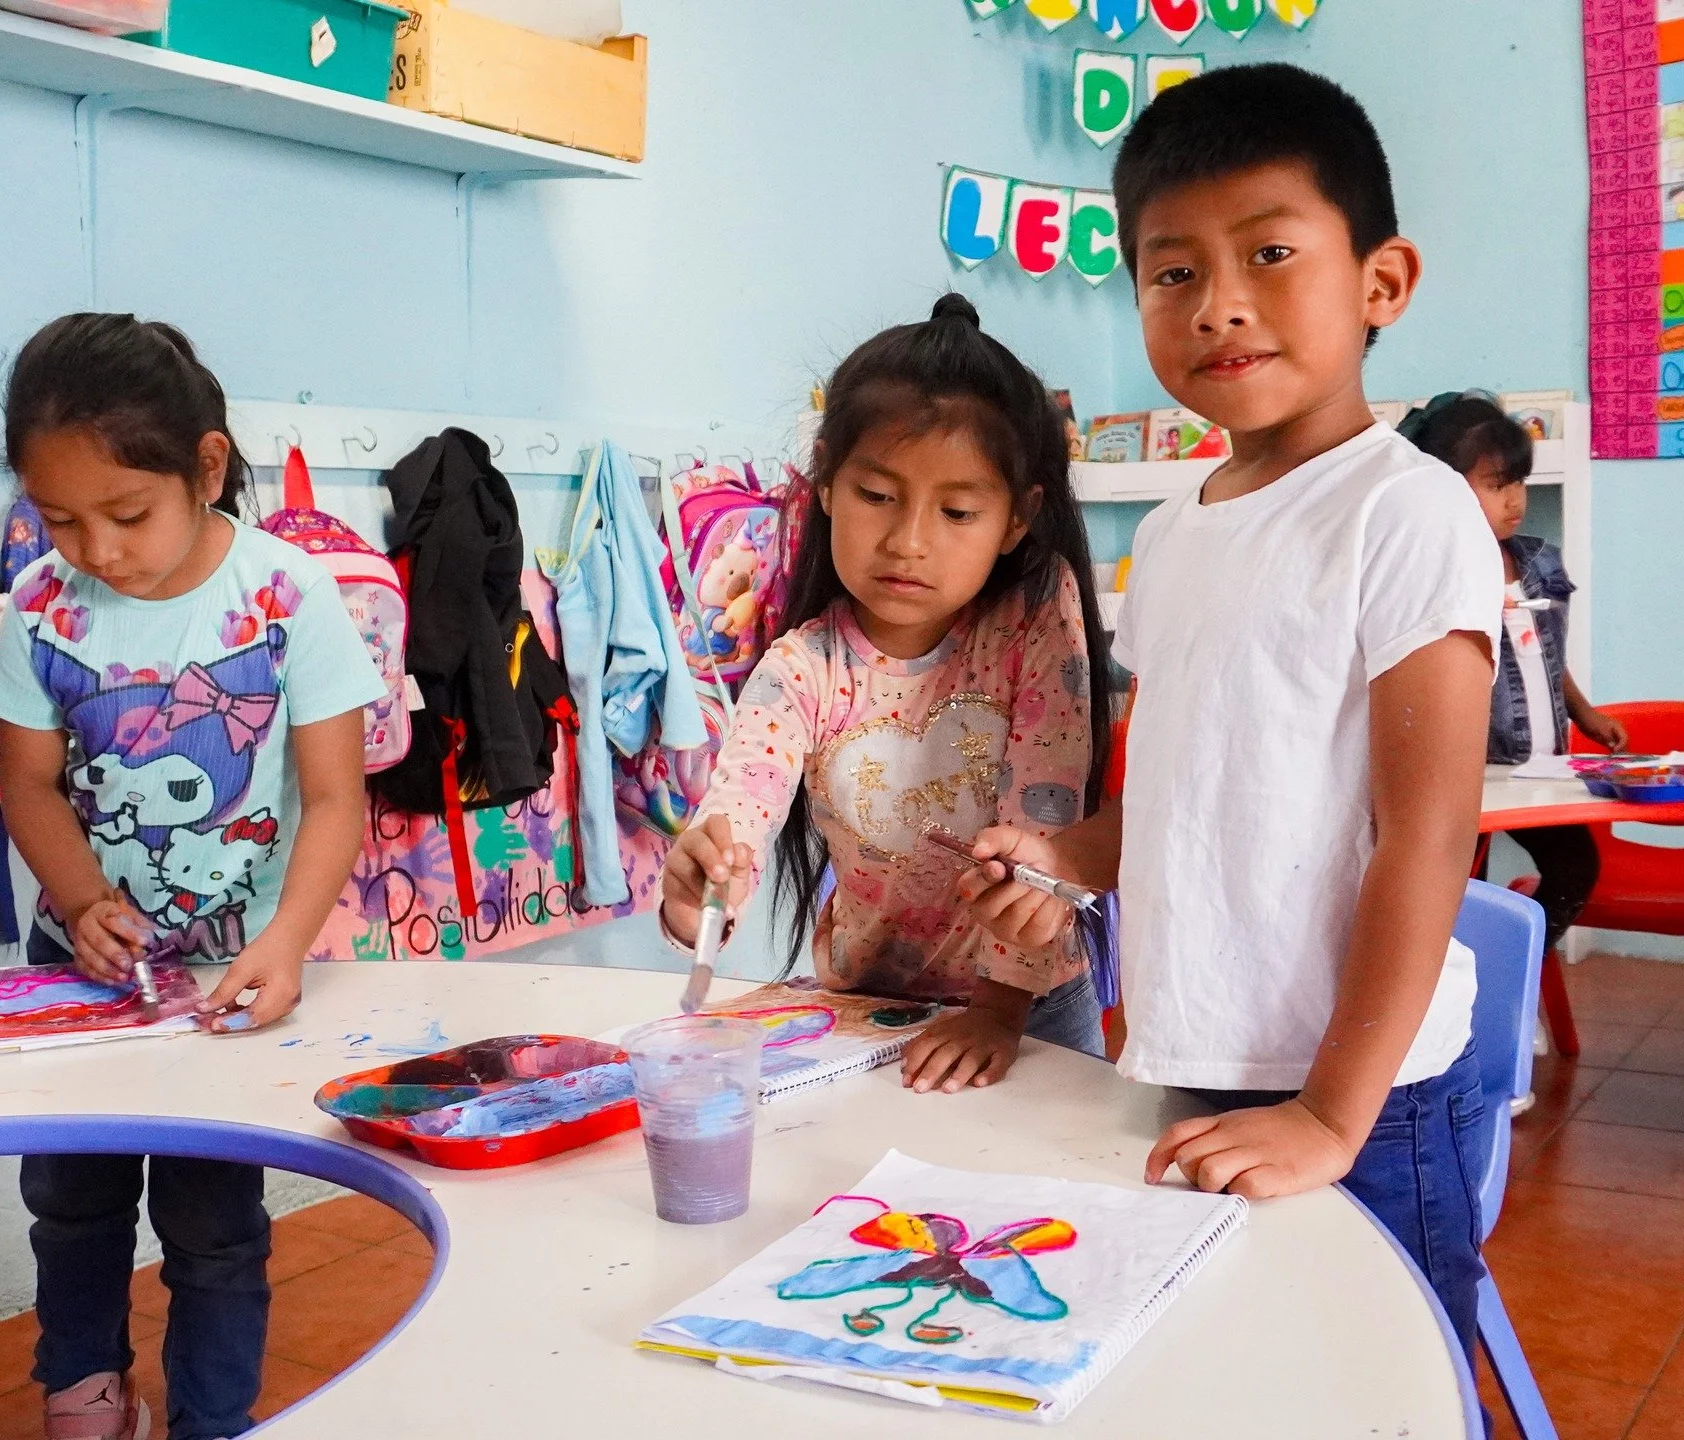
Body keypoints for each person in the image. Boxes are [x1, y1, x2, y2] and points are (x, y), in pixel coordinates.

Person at [958, 64, 1503, 1364]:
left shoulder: (1404, 508)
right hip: (1196, 1049)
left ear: (1382, 282)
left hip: (1369, 1086)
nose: (1221, 305)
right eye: (1173, 272)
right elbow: (1176, 792)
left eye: (1268, 253)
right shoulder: (1175, 534)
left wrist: (1330, 1115)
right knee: (1243, 1372)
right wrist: (1063, 862)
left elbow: (1428, 838)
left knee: (1388, 1374)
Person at [0, 314, 383, 1440]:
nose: (97, 551)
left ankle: (214, 1420)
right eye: (59, 519)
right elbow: (32, 788)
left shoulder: (288, 594)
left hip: (233, 975)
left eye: (126, 514)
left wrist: (285, 944)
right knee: (70, 1201)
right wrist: (79, 901)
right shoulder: (41, 605)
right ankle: (87, 1392)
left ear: (205, 467)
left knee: (214, 1224)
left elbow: (337, 798)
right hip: (84, 974)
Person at [657, 294, 1115, 1094]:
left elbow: (1045, 812)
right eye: (877, 496)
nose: (908, 541)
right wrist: (701, 893)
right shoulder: (802, 665)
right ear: (828, 482)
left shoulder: (1033, 619)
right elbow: (742, 808)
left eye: (958, 510)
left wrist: (1000, 1011)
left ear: (1018, 518)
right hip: (865, 1012)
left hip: (1034, 1008)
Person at [1402, 390, 1625, 950]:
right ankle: (1467, 1006)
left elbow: (1546, 655)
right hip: (1464, 769)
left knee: (1576, 868)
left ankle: (1510, 973)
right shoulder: (1431, 569)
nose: (1515, 500)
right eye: (1496, 486)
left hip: (1540, 764)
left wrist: (1584, 712)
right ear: (1444, 490)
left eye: (1519, 482)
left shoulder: (1539, 561)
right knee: (1460, 893)